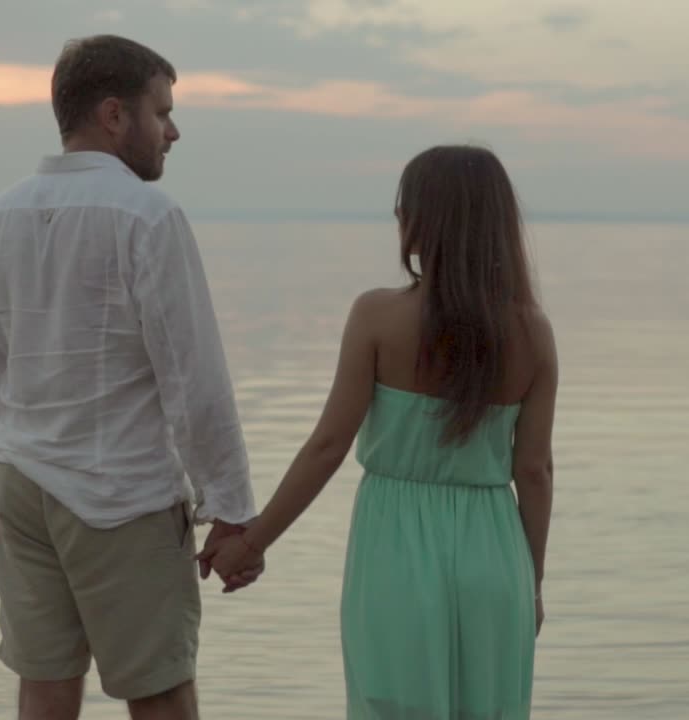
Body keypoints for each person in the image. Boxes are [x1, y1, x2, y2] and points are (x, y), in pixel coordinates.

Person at [0, 35, 260, 720]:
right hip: (120, 493)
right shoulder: (148, 216)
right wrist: (233, 511)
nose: (173, 131)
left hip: (23, 488)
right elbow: (194, 378)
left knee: (45, 693)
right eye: (162, 111)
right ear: (115, 115)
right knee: (162, 696)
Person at [199, 145, 556, 719]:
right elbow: (534, 472)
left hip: (396, 552)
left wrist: (253, 541)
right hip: (497, 556)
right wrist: (530, 583)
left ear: (422, 222)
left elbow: (326, 447)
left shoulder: (376, 316)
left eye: (402, 207)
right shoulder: (533, 332)